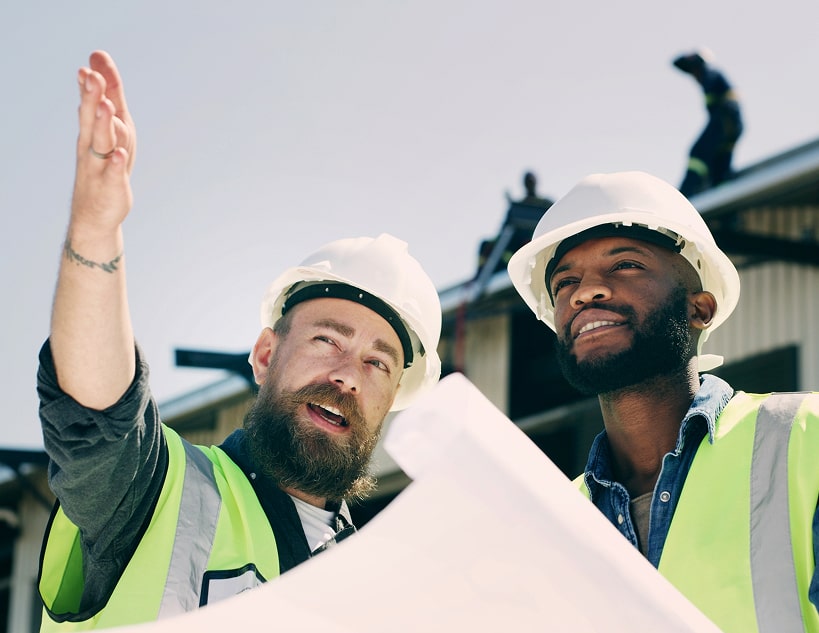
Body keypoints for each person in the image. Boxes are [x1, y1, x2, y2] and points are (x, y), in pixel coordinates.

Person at [36, 50, 442, 631]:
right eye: (329, 340)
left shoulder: (380, 588)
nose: (349, 375)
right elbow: (96, 412)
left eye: (379, 363)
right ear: (265, 355)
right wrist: (96, 233)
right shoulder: (157, 495)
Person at [507, 170, 819, 632]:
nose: (586, 292)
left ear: (699, 308)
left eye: (625, 265)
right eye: (564, 282)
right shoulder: (556, 520)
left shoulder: (803, 437)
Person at [673, 49, 743, 198]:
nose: (694, 75)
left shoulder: (711, 75)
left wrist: (693, 58)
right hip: (733, 126)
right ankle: (724, 202)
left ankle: (685, 195)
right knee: (720, 166)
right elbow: (676, 63)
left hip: (725, 122)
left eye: (695, 68)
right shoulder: (710, 79)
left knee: (697, 153)